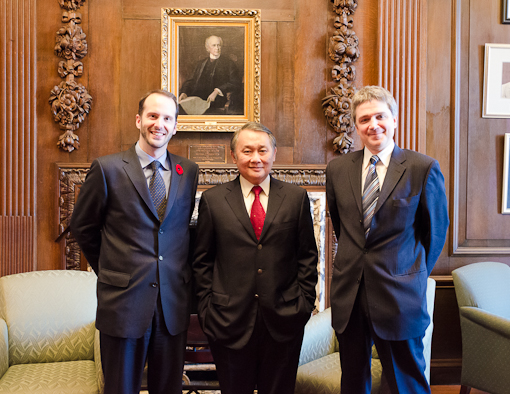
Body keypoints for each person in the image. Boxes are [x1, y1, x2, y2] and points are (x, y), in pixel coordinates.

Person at [70, 90, 199, 394]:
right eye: (153, 116)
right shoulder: (108, 168)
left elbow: (177, 230)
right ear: (139, 120)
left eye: (167, 118)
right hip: (123, 303)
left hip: (172, 304)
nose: (160, 124)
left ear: (175, 125)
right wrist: (111, 269)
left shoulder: (188, 171)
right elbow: (83, 226)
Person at [326, 85, 449, 394]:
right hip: (350, 295)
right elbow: (344, 227)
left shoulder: (422, 168)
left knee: (405, 382)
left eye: (380, 116)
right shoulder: (338, 169)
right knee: (353, 382)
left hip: (399, 295)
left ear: (394, 120)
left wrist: (408, 272)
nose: (373, 125)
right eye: (364, 119)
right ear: (356, 126)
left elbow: (435, 234)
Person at [192, 122, 318, 394]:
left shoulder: (296, 198)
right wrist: (206, 309)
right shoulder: (213, 201)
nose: (255, 158)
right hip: (227, 321)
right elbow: (202, 260)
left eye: (262, 150)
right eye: (247, 151)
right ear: (234, 156)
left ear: (274, 153)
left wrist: (304, 304)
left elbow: (307, 256)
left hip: (284, 319)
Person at [179, 35, 243, 115]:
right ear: (208, 48)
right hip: (197, 100)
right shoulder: (201, 64)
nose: (217, 48)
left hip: (216, 101)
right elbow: (191, 80)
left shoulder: (229, 64)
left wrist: (217, 91)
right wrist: (184, 92)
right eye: (214, 45)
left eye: (219, 45)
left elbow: (235, 83)